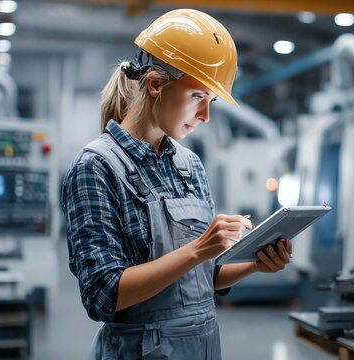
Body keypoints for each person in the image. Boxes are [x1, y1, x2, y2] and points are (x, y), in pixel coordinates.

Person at [61, 9, 293, 359]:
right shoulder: (96, 167)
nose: (205, 116)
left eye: (211, 102)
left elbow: (204, 276)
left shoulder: (189, 165)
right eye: (198, 96)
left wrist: (256, 263)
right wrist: (199, 248)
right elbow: (103, 294)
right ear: (155, 84)